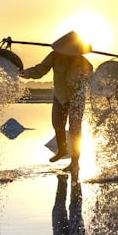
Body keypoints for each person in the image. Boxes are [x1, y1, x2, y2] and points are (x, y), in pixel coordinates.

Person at [20, 30, 93, 171]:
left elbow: (92, 79)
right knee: (57, 124)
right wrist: (28, 73)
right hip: (60, 95)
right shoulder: (54, 56)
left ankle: (75, 162)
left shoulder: (84, 62)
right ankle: (62, 150)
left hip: (76, 98)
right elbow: (41, 69)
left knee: (75, 129)